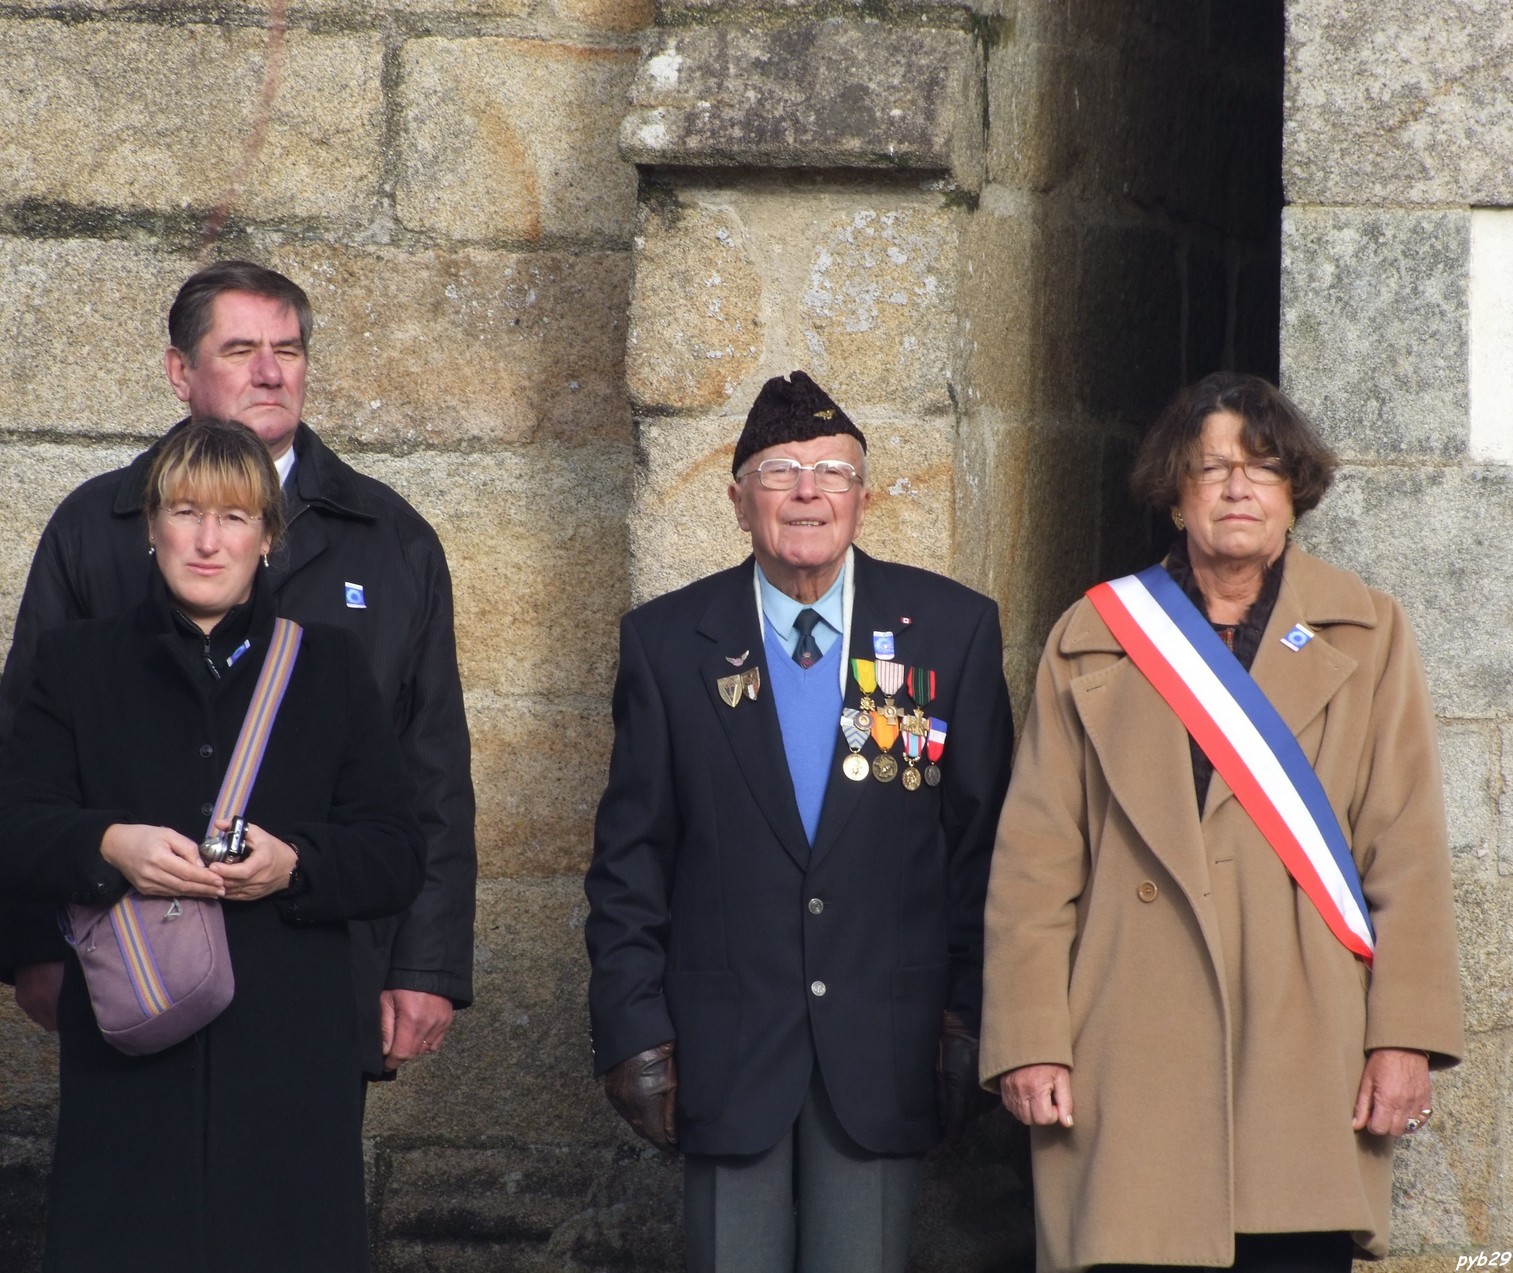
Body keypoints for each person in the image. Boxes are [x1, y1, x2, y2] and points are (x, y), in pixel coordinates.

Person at [980, 372, 1464, 1273]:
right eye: (1210, 468)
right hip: (1126, 1046)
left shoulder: (1366, 632)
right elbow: (1034, 863)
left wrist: (1402, 1038)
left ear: (1294, 493)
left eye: (1262, 467)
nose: (1237, 487)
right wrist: (1030, 1038)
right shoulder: (1091, 634)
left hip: (1303, 1044)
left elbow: (1404, 852)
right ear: (1175, 494)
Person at [0, 260, 475, 1077]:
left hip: (321, 958)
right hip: (133, 959)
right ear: (180, 372)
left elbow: (430, 765)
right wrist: (33, 943)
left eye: (288, 349)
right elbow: (26, 762)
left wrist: (425, 965)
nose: (271, 372)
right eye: (241, 349)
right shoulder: (95, 525)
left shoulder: (389, 538)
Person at [584, 370, 1014, 1273]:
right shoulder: (666, 642)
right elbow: (631, 860)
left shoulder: (950, 630)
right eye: (779, 471)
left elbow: (984, 852)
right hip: (723, 1047)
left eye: (833, 472)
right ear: (738, 500)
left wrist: (973, 1015)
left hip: (888, 1044)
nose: (808, 492)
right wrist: (632, 1029)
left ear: (864, 498)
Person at [0, 418, 426, 1272]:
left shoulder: (329, 667)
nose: (208, 541)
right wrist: (111, 843)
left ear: (268, 536)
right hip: (131, 1057)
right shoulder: (76, 663)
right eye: (186, 513)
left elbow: (397, 849)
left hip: (290, 1059)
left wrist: (296, 866)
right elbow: (7, 835)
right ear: (151, 527)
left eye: (234, 517)